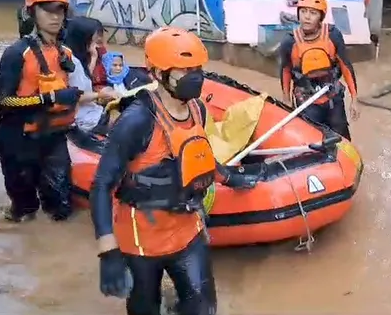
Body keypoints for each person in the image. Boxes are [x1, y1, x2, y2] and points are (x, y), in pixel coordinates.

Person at [90, 27, 262, 315]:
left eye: (197, 68)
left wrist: (231, 177)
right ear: (157, 73)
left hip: (187, 229)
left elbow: (197, 156)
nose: (194, 77)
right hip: (142, 237)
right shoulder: (137, 121)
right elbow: (102, 184)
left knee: (203, 309)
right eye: (183, 70)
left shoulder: (197, 109)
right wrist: (107, 250)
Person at [0, 0, 83, 222]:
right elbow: (3, 101)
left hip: (54, 137)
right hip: (19, 139)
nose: (55, 16)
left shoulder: (66, 54)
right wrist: (49, 98)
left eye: (60, 10)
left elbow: (76, 92)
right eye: (47, 10)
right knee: (24, 212)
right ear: (32, 13)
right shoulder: (16, 53)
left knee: (61, 209)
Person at [278, 0, 360, 140]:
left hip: (332, 97)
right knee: (311, 140)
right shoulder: (289, 42)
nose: (307, 17)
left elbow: (346, 66)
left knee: (341, 139)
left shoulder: (333, 35)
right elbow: (285, 71)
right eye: (303, 12)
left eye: (313, 13)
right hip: (306, 100)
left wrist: (354, 99)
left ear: (321, 16)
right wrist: (286, 99)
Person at [65, 17, 117, 132]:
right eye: (92, 41)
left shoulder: (79, 57)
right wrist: (100, 95)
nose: (96, 44)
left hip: (92, 112)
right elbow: (77, 96)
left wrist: (93, 57)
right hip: (84, 120)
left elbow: (84, 79)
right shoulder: (72, 62)